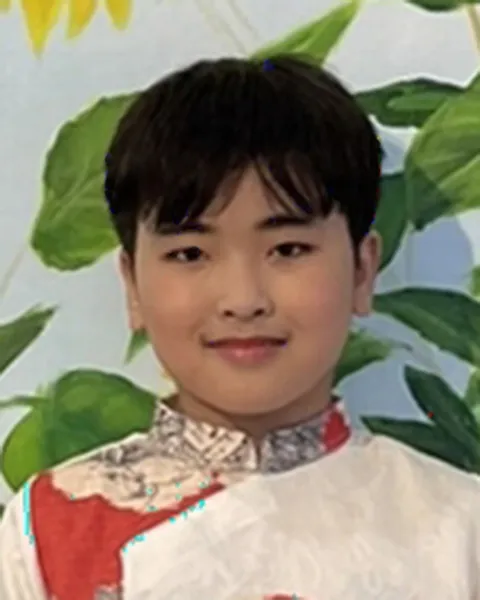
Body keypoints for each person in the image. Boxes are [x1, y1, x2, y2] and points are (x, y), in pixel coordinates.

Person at [0, 54, 479, 600]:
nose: (243, 300)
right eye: (190, 254)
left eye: (288, 249)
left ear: (361, 271)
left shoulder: (460, 531)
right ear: (133, 285)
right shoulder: (45, 533)